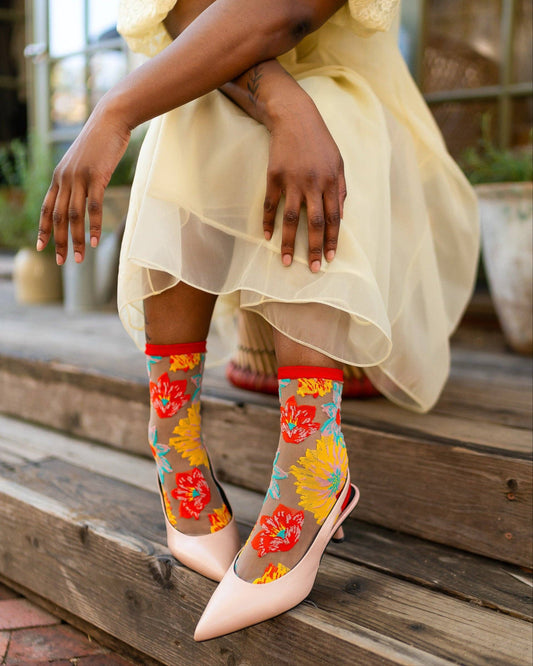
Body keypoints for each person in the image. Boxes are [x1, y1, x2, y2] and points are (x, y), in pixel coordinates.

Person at [36, 0, 479, 641]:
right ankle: (175, 439)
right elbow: (189, 18)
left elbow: (286, 10)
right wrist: (282, 101)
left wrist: (114, 110)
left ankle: (313, 460)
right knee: (190, 113)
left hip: (361, 121)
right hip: (238, 87)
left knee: (329, 109)